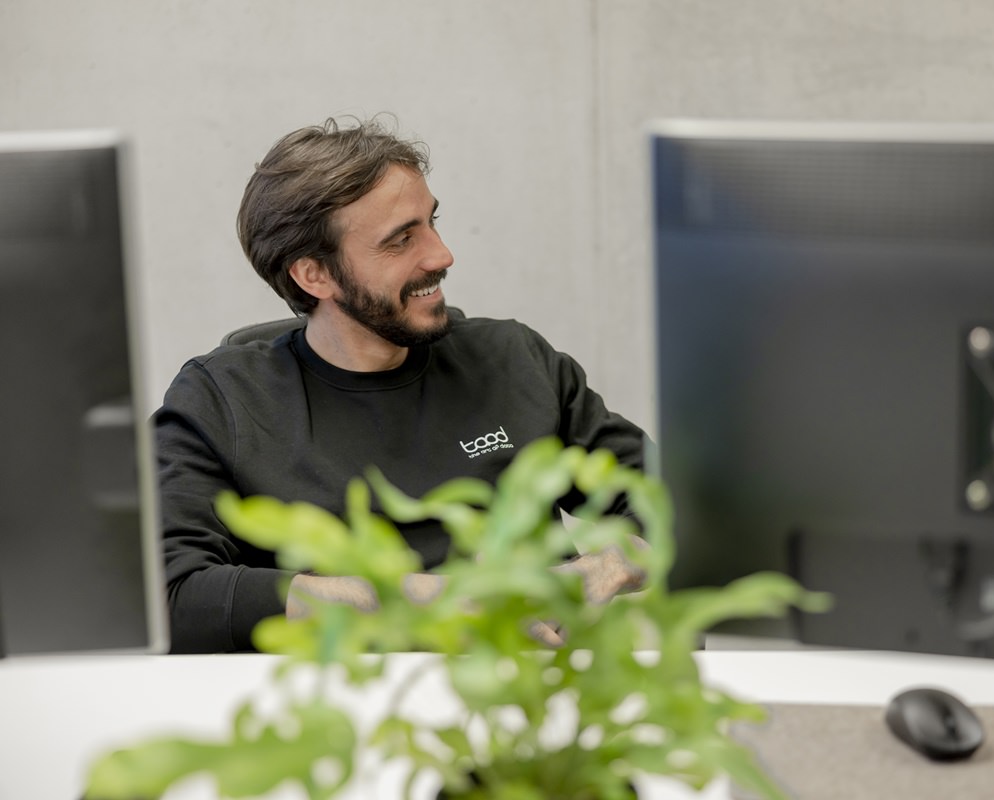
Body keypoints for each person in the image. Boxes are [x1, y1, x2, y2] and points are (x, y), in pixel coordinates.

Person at [155, 117, 648, 653]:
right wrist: (428, 601)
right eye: (401, 240)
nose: (441, 255)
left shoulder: (514, 361)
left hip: (531, 695)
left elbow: (681, 503)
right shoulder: (221, 400)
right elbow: (173, 595)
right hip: (343, 711)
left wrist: (609, 568)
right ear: (313, 275)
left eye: (432, 222)